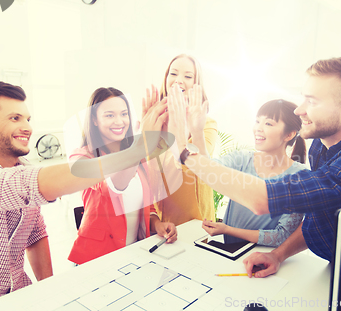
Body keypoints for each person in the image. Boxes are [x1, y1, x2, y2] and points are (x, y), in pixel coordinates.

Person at [167, 56, 341, 278]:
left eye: (312, 101)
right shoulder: (322, 147)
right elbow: (318, 218)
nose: (299, 110)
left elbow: (262, 199)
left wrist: (184, 149)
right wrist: (278, 255)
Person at [0, 81, 167, 310]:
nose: (27, 127)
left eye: (27, 119)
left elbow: (35, 233)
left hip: (18, 295)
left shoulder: (22, 167)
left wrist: (50, 292)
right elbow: (23, 186)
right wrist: (138, 147)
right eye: (15, 118)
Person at [68, 87, 177, 265]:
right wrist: (142, 142)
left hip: (134, 255)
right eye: (109, 115)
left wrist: (157, 224)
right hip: (97, 259)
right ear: (94, 119)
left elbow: (146, 206)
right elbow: (115, 186)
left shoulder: (137, 155)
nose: (119, 121)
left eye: (124, 114)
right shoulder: (82, 157)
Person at [202, 99, 306, 247]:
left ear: (289, 135)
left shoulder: (300, 176)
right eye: (257, 121)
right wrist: (197, 131)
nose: (258, 128)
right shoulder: (242, 158)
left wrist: (229, 230)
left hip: (266, 257)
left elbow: (282, 235)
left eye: (268, 123)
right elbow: (208, 169)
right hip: (231, 250)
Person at [143, 54, 218, 225]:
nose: (178, 80)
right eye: (173, 73)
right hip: (162, 222)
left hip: (197, 222)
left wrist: (180, 130)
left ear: (196, 84)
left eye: (188, 76)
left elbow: (198, 167)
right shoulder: (155, 122)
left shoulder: (207, 125)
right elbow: (147, 173)